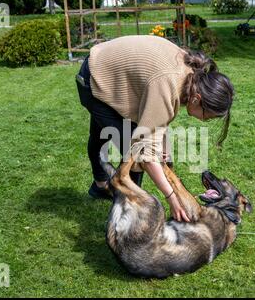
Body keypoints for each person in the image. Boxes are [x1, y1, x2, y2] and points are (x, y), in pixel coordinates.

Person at [76, 35, 234, 222]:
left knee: (102, 135)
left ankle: (100, 186)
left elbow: (159, 114)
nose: (204, 121)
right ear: (197, 98)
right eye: (207, 116)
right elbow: (144, 151)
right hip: (94, 76)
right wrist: (172, 197)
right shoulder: (168, 83)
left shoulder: (191, 75)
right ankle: (130, 214)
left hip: (107, 67)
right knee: (134, 155)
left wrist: (163, 148)